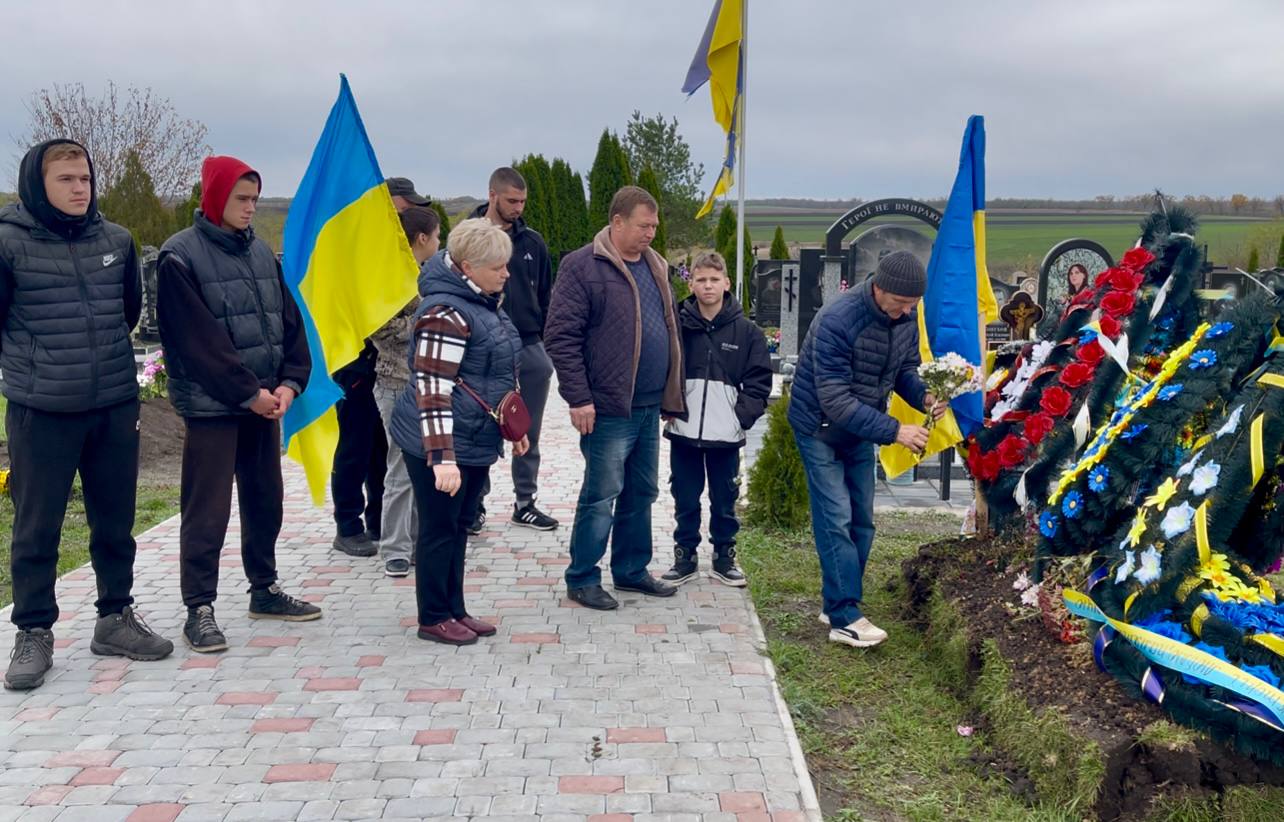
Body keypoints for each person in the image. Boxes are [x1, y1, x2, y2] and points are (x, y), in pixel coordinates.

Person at [1, 139, 173, 690]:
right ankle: (33, 631)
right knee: (37, 526)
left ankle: (114, 617)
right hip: (42, 410)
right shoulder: (7, 243)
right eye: (66, 180)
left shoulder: (116, 240)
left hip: (113, 405)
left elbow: (127, 311)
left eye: (85, 179)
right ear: (38, 184)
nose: (80, 189)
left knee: (115, 520)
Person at [157, 155, 320, 653]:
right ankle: (199, 608)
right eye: (241, 199)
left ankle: (264, 589)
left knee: (265, 498)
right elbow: (197, 342)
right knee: (207, 509)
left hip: (264, 403)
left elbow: (289, 322)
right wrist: (249, 394)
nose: (250, 208)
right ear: (215, 198)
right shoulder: (179, 257)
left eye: (254, 199)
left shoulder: (260, 254)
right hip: (214, 407)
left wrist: (290, 382)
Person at [787, 251, 945, 649]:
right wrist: (895, 430)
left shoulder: (905, 316)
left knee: (862, 520)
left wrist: (924, 396)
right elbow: (835, 400)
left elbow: (904, 369)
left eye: (913, 304)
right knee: (835, 516)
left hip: (860, 428)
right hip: (820, 427)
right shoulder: (838, 320)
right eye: (901, 303)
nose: (906, 311)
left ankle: (837, 602)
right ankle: (844, 617)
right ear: (878, 287)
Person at [545, 186, 687, 611]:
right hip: (607, 407)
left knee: (642, 491)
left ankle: (630, 569)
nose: (651, 233)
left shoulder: (656, 265)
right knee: (602, 493)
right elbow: (561, 337)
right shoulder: (582, 266)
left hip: (648, 405)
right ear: (617, 221)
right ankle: (582, 577)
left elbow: (668, 329)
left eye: (654, 226)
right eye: (644, 225)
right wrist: (578, 398)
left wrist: (671, 394)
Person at [389, 218, 529, 644]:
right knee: (439, 526)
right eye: (497, 267)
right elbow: (432, 389)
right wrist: (442, 458)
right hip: (439, 439)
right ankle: (433, 616)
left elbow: (497, 371)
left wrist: (514, 427)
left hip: (474, 434)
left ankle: (455, 608)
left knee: (460, 524)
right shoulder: (444, 314)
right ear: (468, 267)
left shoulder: (483, 302)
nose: (506, 274)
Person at [329, 178, 429, 556]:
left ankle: (379, 520)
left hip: (389, 368)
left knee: (381, 449)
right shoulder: (363, 254)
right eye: (406, 208)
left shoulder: (399, 257)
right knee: (354, 446)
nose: (409, 217)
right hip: (356, 361)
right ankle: (347, 525)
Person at [661, 252, 772, 587]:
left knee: (724, 500)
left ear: (726, 283)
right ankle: (685, 556)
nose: (707, 286)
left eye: (714, 279)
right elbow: (664, 368)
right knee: (685, 497)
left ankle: (724, 557)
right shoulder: (677, 327)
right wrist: (669, 407)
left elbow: (759, 382)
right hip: (684, 432)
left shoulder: (748, 333)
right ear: (691, 284)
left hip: (726, 435)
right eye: (701, 280)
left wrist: (740, 417)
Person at [467, 167, 558, 534]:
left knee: (527, 428)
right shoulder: (467, 238)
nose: (518, 207)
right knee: (479, 426)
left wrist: (545, 343)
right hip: (482, 347)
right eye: (512, 200)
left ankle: (525, 502)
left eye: (523, 201)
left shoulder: (533, 243)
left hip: (529, 345)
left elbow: (547, 296)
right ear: (492, 195)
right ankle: (474, 504)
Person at [369, 206, 441, 576]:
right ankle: (394, 548)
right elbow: (380, 329)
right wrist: (425, 318)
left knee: (426, 467)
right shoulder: (389, 278)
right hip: (396, 383)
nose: (440, 242)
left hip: (427, 384)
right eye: (438, 235)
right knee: (400, 467)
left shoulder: (427, 275)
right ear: (422, 238)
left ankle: (416, 542)